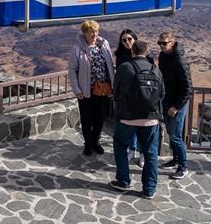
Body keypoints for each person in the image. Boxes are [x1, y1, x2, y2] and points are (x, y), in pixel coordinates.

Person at [110, 40, 164, 198]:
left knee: (120, 146)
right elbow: (162, 94)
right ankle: (149, 190)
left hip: (127, 118)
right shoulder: (156, 70)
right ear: (147, 52)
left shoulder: (125, 68)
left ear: (132, 51)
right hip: (151, 119)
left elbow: (116, 93)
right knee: (151, 154)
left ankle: (123, 181)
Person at [68, 20, 115, 156]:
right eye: (91, 32)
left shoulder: (103, 44)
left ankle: (95, 141)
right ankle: (88, 144)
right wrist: (76, 89)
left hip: (103, 89)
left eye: (96, 31)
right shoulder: (77, 48)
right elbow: (72, 70)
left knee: (100, 118)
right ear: (84, 33)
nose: (94, 34)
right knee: (87, 118)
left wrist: (113, 84)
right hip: (85, 90)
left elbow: (110, 65)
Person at [157, 31, 192, 180]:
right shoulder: (163, 56)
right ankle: (175, 160)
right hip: (167, 100)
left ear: (172, 42)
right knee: (171, 132)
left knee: (176, 135)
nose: (162, 46)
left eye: (164, 43)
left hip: (178, 103)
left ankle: (183, 166)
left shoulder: (179, 61)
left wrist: (176, 107)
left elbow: (188, 88)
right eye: (160, 43)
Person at [114, 29, 143, 167]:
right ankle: (132, 150)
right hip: (127, 98)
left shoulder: (143, 55)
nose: (127, 42)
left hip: (142, 97)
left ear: (135, 39)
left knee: (141, 128)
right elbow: (119, 78)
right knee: (130, 127)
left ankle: (142, 154)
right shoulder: (120, 57)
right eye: (124, 40)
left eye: (129, 39)